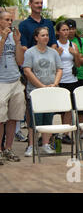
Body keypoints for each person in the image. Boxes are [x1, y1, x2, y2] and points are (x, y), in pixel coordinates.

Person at [22, 27, 63, 156]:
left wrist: (55, 84)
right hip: (35, 92)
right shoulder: (30, 52)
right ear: (36, 37)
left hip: (50, 91)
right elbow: (27, 71)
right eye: (43, 35)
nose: (46, 37)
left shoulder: (53, 52)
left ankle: (46, 144)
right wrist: (40, 86)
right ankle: (31, 146)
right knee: (34, 120)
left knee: (48, 118)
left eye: (47, 35)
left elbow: (59, 69)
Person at [0, 11, 25, 163]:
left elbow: (20, 61)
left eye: (11, 20)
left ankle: (8, 149)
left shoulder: (13, 37)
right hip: (1, 82)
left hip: (15, 81)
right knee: (0, 119)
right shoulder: (3, 37)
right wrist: (3, 38)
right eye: (6, 20)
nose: (10, 22)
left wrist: (17, 43)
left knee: (13, 118)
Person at [65, 19, 83, 140]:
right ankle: (66, 131)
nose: (70, 31)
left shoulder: (81, 41)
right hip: (66, 78)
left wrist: (76, 56)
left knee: (82, 107)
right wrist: (78, 56)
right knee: (67, 107)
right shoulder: (61, 42)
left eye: (72, 28)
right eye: (68, 28)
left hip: (81, 76)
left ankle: (82, 130)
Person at [55, 22, 81, 145]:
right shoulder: (55, 45)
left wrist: (75, 54)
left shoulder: (73, 45)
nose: (66, 32)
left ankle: (66, 133)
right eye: (64, 30)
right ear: (58, 32)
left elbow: (78, 64)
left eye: (68, 29)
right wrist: (57, 55)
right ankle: (54, 133)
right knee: (59, 108)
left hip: (72, 79)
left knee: (69, 109)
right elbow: (52, 63)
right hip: (59, 80)